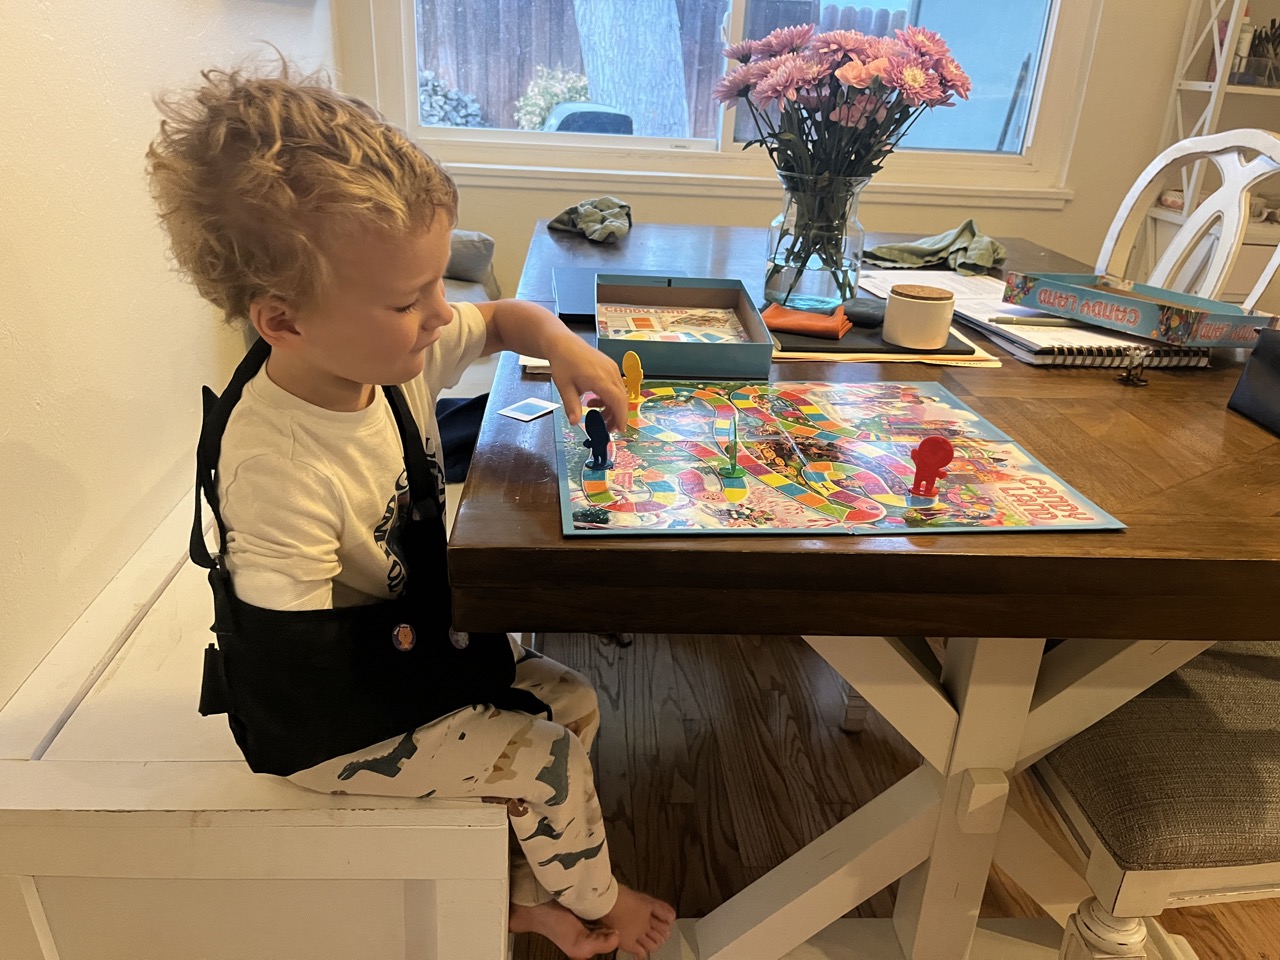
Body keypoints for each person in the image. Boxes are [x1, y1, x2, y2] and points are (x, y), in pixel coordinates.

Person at [147, 62, 674, 959]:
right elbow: (296, 669)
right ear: (283, 322)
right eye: (408, 300)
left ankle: (518, 895)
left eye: (437, 283)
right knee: (546, 757)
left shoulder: (387, 356)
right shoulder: (276, 464)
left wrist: (563, 345)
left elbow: (503, 319)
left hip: (408, 650)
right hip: (331, 716)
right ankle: (599, 905)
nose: (440, 315)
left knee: (575, 701)